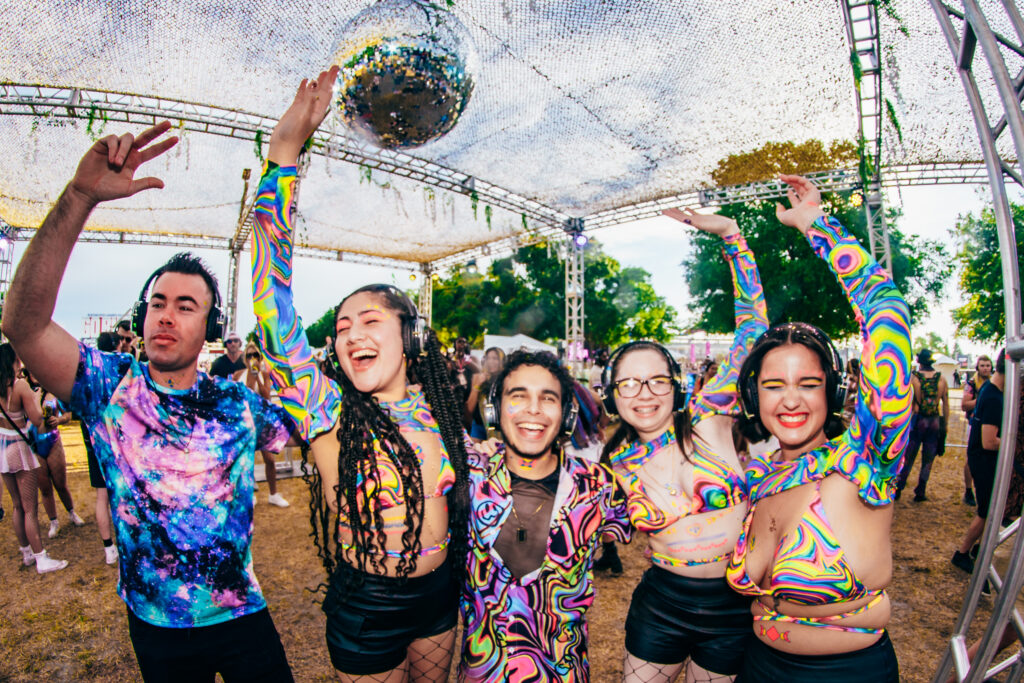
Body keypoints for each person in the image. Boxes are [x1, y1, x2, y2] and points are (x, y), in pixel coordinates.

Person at [1, 122, 297, 681]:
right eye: (158, 301)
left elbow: (310, 421)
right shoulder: (110, 386)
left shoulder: (237, 403)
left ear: (210, 326)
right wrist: (80, 196)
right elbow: (23, 324)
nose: (166, 313)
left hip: (241, 616)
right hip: (155, 627)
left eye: (187, 305)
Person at [251, 67, 472, 682]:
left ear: (407, 334)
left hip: (438, 601)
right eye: (342, 326)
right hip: (367, 608)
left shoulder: (440, 407)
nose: (350, 334)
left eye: (368, 320)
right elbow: (273, 306)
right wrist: (283, 159)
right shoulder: (328, 410)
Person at [725, 174, 911, 682]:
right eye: (772, 386)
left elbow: (888, 316)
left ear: (832, 392)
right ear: (752, 396)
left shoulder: (863, 460)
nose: (789, 400)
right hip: (758, 665)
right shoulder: (761, 476)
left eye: (808, 384)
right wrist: (732, 244)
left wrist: (818, 227)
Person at [603, 207, 768, 682]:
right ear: (614, 397)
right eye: (629, 384)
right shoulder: (614, 462)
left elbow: (753, 332)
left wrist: (732, 237)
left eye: (656, 380)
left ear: (676, 386)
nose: (645, 393)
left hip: (733, 606)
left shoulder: (710, 418)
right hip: (661, 606)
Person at [460, 349, 632, 681]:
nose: (533, 409)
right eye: (518, 396)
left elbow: (622, 530)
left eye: (548, 398)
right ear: (495, 411)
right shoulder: (470, 475)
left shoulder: (597, 487)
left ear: (567, 416)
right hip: (483, 673)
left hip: (563, 674)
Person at [0, 344, 67, 573]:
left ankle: (26, 553)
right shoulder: (19, 386)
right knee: (30, 509)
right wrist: (37, 397)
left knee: (17, 506)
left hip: (2, 448)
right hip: (19, 449)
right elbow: (38, 419)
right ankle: (41, 558)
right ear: (13, 361)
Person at [952, 348, 1006, 574]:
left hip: (982, 460)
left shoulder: (990, 391)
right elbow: (989, 441)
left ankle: (974, 550)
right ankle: (963, 553)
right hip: (984, 460)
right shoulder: (993, 397)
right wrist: (1013, 441)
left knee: (989, 512)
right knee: (987, 512)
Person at [25, 369, 86, 538]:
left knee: (60, 483)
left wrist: (59, 420)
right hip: (34, 444)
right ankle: (54, 521)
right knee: (44, 488)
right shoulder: (25, 394)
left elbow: (68, 413)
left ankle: (71, 512)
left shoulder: (53, 393)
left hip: (52, 440)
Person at [83, 329, 120, 565]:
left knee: (101, 496)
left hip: (92, 439)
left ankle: (109, 548)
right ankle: (119, 542)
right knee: (118, 496)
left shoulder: (89, 373)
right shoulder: (118, 369)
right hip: (115, 442)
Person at [896, 348, 949, 502]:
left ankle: (899, 487)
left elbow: (906, 403)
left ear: (919, 361)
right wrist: (944, 425)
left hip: (917, 421)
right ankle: (921, 490)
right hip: (934, 421)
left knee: (908, 457)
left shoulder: (914, 378)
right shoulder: (941, 379)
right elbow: (945, 404)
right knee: (928, 459)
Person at [240, 342, 289, 507]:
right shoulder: (238, 374)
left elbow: (266, 397)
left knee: (269, 460)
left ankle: (273, 494)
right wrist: (251, 377)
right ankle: (249, 496)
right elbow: (244, 396)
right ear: (244, 358)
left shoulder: (264, 374)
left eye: (256, 355)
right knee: (247, 462)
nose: (252, 358)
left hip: (262, 422)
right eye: (249, 355)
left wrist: (258, 377)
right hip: (246, 423)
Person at [961, 355, 993, 506]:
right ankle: (968, 490)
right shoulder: (972, 383)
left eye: (988, 365)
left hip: (991, 424)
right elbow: (964, 405)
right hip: (974, 424)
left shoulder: (995, 383)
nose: (986, 368)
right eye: (983, 365)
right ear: (978, 368)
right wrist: (982, 399)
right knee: (971, 458)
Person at [465, 346, 505, 441]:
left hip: (498, 429)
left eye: (495, 358)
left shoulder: (506, 380)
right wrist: (478, 385)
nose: (491, 361)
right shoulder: (477, 377)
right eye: (488, 358)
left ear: (502, 361)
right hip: (479, 426)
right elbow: (469, 409)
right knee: (476, 454)